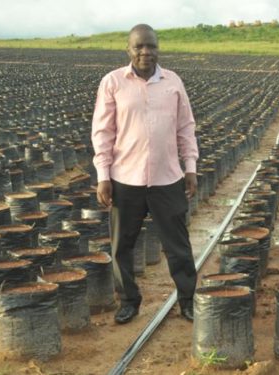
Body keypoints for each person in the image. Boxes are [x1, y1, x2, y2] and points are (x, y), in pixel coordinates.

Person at [91, 24, 199, 323]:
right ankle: (128, 300)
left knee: (178, 245)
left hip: (168, 178)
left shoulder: (173, 82)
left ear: (158, 48)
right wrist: (103, 175)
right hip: (126, 179)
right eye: (139, 46)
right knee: (122, 246)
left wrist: (190, 167)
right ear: (129, 49)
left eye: (150, 46)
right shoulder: (113, 82)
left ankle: (187, 300)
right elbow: (103, 132)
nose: (145, 52)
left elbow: (185, 128)